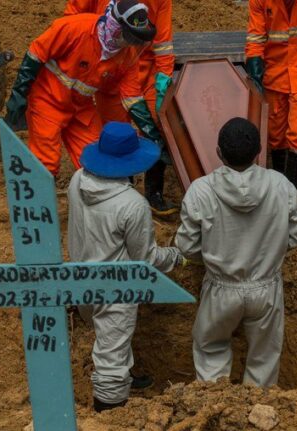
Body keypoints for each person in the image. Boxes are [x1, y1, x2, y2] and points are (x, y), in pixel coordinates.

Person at [175, 117, 297, 387]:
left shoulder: (201, 190)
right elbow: (295, 235)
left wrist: (210, 254)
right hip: (266, 287)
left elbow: (187, 246)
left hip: (221, 287)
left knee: (211, 349)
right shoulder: (281, 185)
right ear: (259, 151)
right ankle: (258, 407)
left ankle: (213, 406)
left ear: (219, 152)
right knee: (264, 357)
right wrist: (270, 251)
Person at [67, 121, 184, 412]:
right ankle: (110, 413)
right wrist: (176, 256)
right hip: (114, 289)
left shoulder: (77, 180)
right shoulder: (132, 204)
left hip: (79, 278)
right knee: (111, 362)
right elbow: (146, 260)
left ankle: (126, 376)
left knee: (110, 340)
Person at [4, 0, 156, 176]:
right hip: (47, 99)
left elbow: (132, 97)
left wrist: (153, 134)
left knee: (99, 161)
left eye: (136, 40)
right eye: (130, 38)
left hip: (81, 107)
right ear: (116, 27)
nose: (131, 45)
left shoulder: (128, 56)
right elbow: (36, 54)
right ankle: (40, 191)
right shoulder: (74, 28)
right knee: (46, 165)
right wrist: (19, 94)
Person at [63, 0, 177, 216]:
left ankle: (154, 193)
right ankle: (123, 194)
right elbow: (71, 20)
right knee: (117, 131)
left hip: (147, 68)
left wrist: (164, 79)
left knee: (160, 123)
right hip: (111, 68)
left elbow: (163, 42)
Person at [244, 0, 297, 189]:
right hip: (275, 70)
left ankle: (292, 188)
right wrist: (254, 59)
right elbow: (256, 35)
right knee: (276, 132)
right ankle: (279, 180)